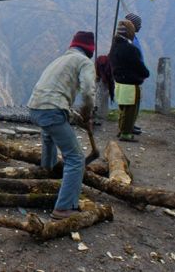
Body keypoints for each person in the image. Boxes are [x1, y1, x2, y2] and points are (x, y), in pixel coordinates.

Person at [27, 31, 95, 220]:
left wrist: (75, 115)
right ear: (90, 49)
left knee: (49, 136)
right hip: (51, 110)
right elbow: (89, 91)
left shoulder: (60, 59)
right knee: (76, 158)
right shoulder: (85, 62)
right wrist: (87, 113)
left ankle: (47, 171)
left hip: (34, 108)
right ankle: (64, 207)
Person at [109, 20, 149, 142]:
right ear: (130, 32)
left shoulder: (114, 47)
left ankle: (121, 129)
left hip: (119, 82)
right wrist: (145, 74)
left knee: (122, 109)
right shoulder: (131, 49)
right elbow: (140, 68)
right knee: (131, 110)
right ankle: (126, 133)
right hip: (131, 83)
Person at [125, 13, 145, 135]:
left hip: (137, 75)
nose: (140, 27)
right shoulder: (128, 40)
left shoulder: (133, 38)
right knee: (130, 103)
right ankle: (127, 126)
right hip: (132, 76)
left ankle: (131, 123)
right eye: (138, 24)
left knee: (135, 102)